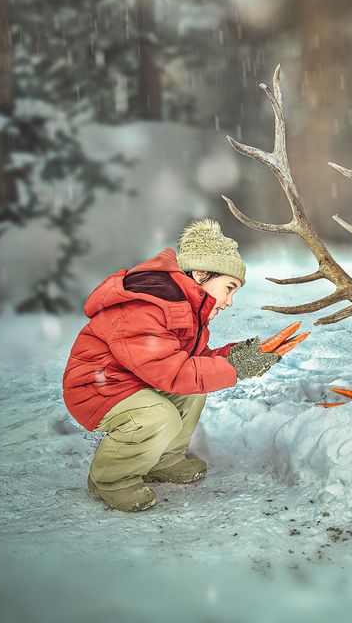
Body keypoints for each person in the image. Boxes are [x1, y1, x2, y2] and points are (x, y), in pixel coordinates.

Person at [63, 217, 280, 512]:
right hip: (98, 388)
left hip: (134, 382)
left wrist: (233, 357)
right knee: (158, 415)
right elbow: (173, 372)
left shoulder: (186, 308)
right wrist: (235, 369)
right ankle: (110, 480)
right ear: (202, 274)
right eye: (229, 288)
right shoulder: (147, 307)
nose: (229, 301)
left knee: (192, 391)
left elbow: (191, 363)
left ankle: (161, 459)